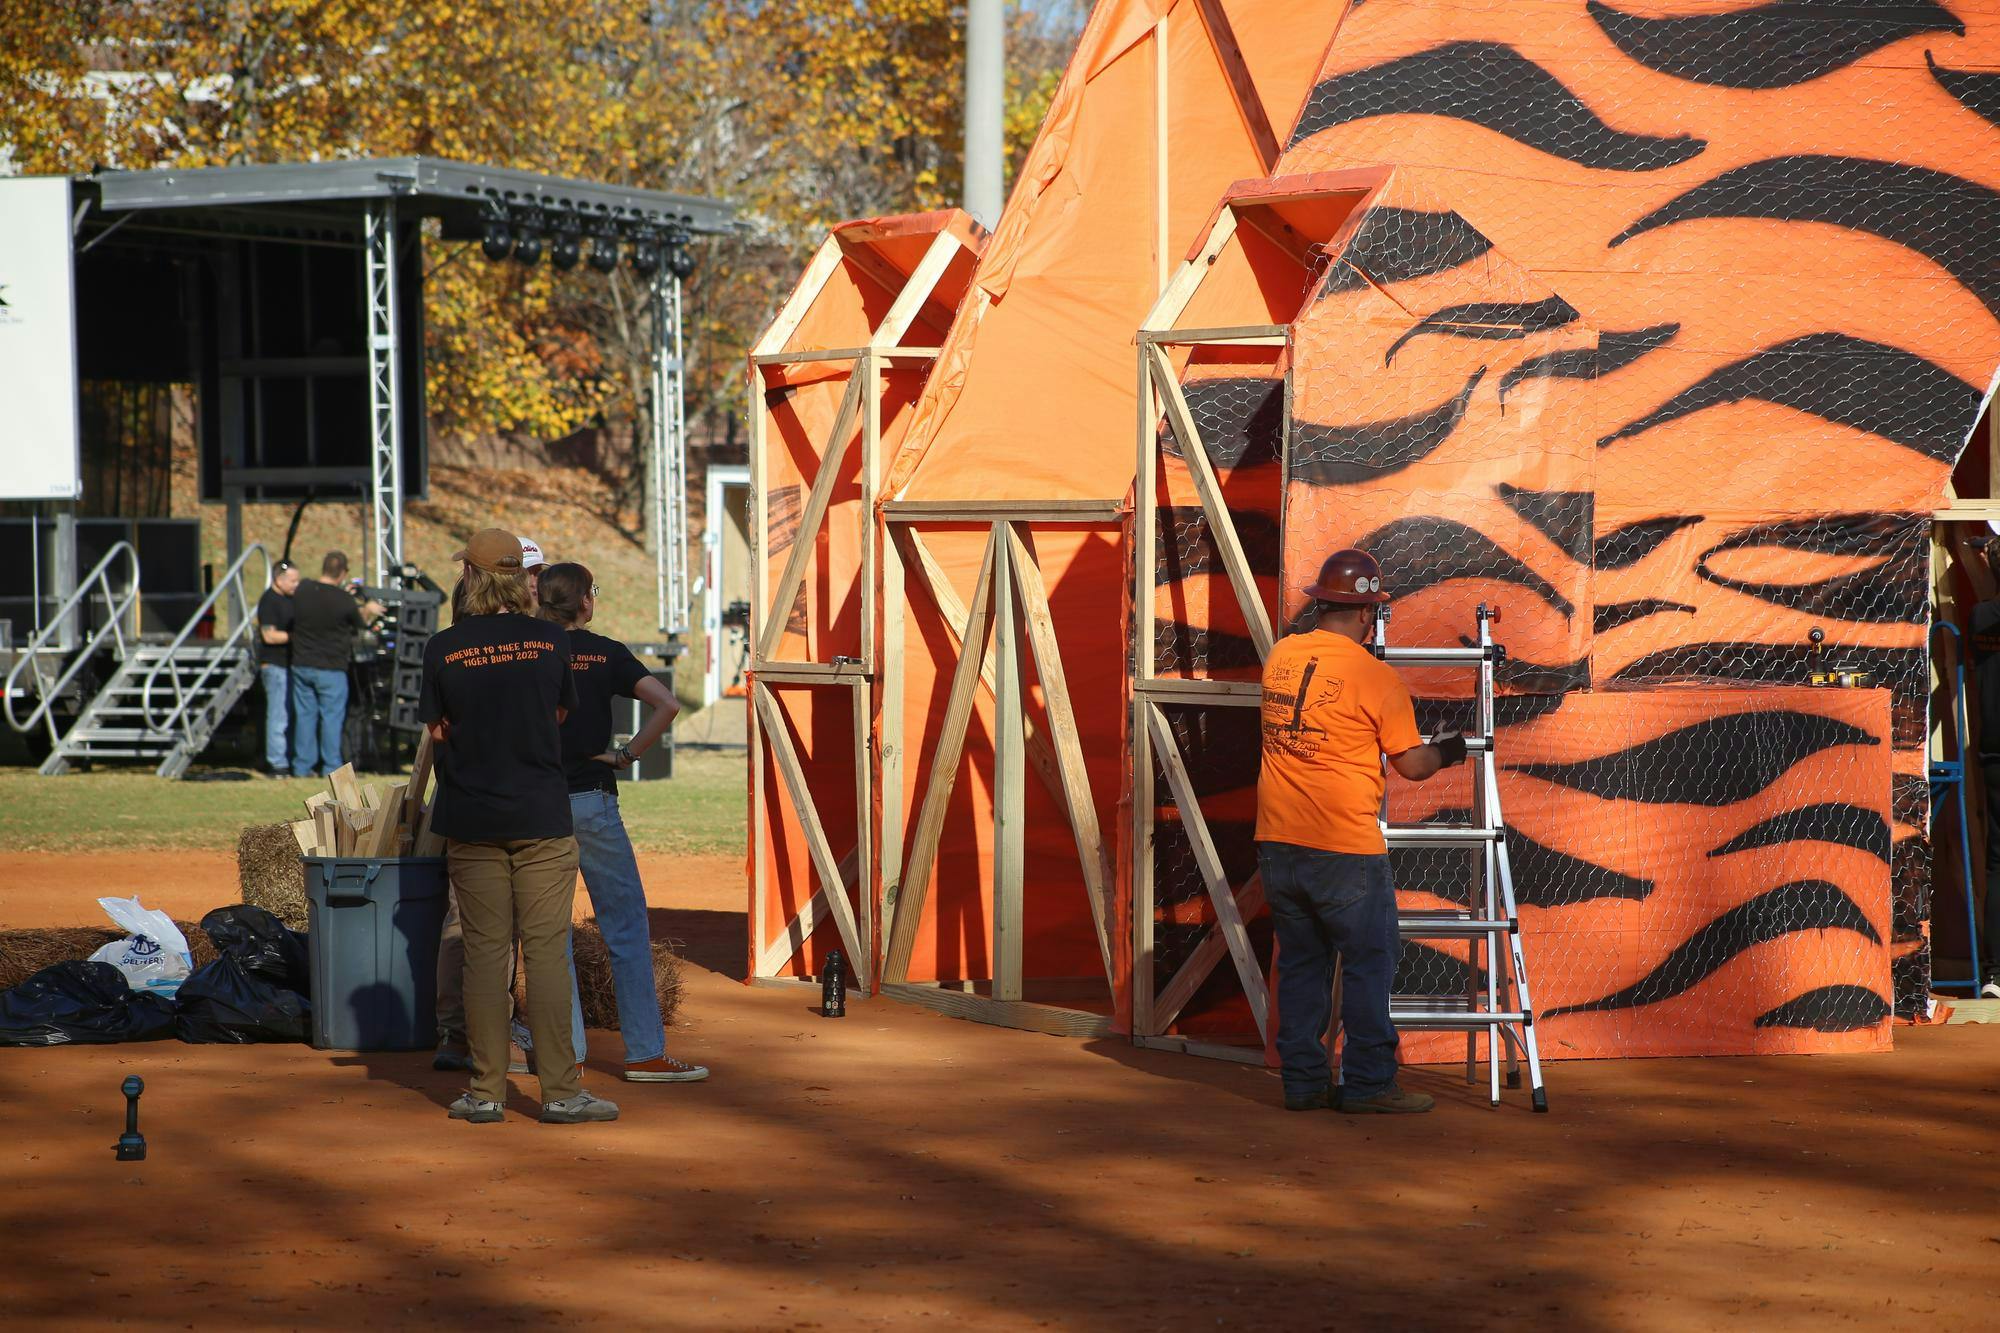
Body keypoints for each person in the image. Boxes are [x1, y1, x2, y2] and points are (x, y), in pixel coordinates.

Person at [1256, 548, 1467, 1115]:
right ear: (1367, 615)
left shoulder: (1280, 656)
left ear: (1323, 603)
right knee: (1370, 961)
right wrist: (1451, 748)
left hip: (1277, 842)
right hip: (1344, 846)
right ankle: (1369, 1082)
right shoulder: (1375, 677)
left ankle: (1303, 1084)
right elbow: (1412, 765)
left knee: (1302, 963)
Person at [420, 528, 615, 1125]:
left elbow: (437, 732)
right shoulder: (552, 641)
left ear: (472, 578)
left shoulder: (443, 647)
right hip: (540, 814)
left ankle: (485, 1091)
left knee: (483, 954)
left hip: (473, 815)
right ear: (519, 578)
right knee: (547, 954)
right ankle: (560, 1092)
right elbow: (557, 715)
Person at [536, 562, 709, 1083]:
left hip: (538, 803)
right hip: (592, 798)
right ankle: (645, 1052)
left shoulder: (527, 651)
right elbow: (667, 704)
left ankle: (566, 1055)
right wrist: (627, 755)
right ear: (586, 603)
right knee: (626, 929)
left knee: (549, 937)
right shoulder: (605, 651)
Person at [287, 551, 383, 778]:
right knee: (331, 718)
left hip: (302, 663)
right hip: (331, 667)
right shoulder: (344, 600)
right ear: (343, 573)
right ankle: (331, 767)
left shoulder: (303, 590)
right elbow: (361, 625)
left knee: (305, 716)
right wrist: (369, 610)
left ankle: (302, 767)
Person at [255, 561, 300, 777]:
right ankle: (276, 763)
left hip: (288, 665)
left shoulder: (290, 599)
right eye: (292, 580)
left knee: (288, 715)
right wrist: (296, 637)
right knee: (278, 715)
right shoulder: (269, 601)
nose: (296, 584)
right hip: (274, 666)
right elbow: (269, 635)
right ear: (278, 579)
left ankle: (287, 758)